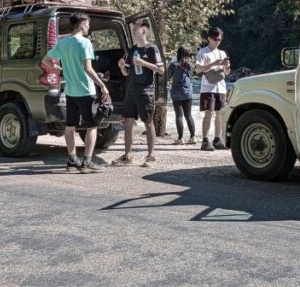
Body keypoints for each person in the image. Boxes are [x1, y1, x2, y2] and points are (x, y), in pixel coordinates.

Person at [42, 12, 109, 173]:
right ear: (81, 24)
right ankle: (87, 161)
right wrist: (102, 85)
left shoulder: (63, 43)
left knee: (70, 126)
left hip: (71, 92)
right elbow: (88, 68)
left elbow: (45, 60)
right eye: (87, 24)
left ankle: (72, 159)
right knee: (92, 126)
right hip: (86, 91)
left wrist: (59, 69)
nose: (88, 27)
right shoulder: (84, 42)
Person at [112, 20, 164, 167]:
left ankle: (151, 155)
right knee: (128, 122)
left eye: (137, 28)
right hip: (131, 90)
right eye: (133, 28)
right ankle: (128, 155)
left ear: (144, 31)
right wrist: (122, 67)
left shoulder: (152, 49)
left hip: (146, 90)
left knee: (148, 122)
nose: (134, 30)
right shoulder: (132, 50)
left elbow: (161, 70)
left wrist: (144, 63)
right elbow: (127, 72)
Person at [196, 27, 230, 151]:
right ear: (209, 39)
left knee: (220, 114)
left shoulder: (223, 53)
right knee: (208, 113)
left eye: (219, 40)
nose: (217, 42)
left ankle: (217, 139)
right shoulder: (203, 52)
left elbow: (226, 73)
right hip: (207, 87)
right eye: (215, 39)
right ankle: (205, 140)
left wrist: (226, 66)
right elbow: (198, 69)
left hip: (221, 87)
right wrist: (214, 63)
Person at [168, 46, 196, 145]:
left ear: (178, 54)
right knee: (188, 115)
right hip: (187, 92)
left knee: (179, 115)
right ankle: (193, 137)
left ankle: (180, 138)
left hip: (176, 92)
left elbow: (168, 77)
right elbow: (190, 76)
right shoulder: (189, 65)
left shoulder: (173, 65)